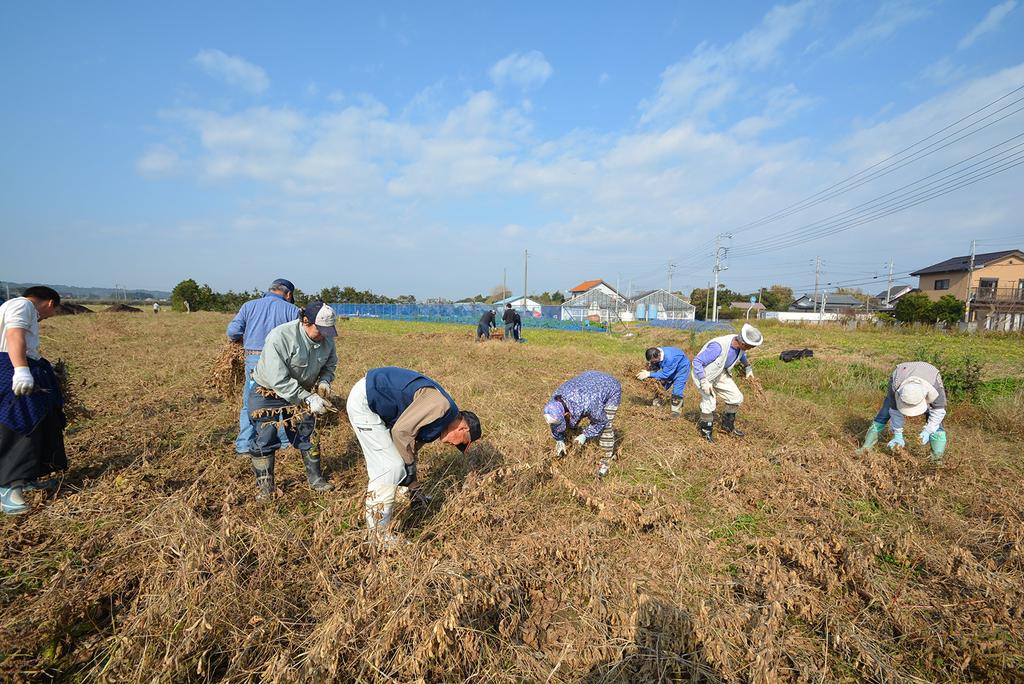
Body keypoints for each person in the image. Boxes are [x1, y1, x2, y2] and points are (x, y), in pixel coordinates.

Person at [346, 367, 481, 542]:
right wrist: (408, 468)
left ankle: (400, 496)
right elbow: (401, 433)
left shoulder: (441, 421)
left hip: (375, 403)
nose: (453, 444)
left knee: (397, 463)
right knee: (390, 467)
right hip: (366, 401)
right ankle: (378, 536)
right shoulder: (441, 407)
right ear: (463, 428)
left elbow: (410, 449)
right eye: (461, 442)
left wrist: (414, 488)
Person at [247, 301, 338, 499]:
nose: (324, 335)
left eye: (327, 331)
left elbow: (330, 365)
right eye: (320, 330)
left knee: (309, 434)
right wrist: (308, 397)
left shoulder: (327, 339)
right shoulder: (280, 337)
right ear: (306, 321)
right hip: (268, 393)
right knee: (265, 437)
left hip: (301, 394)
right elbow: (277, 379)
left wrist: (324, 382)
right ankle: (266, 489)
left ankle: (316, 479)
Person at [0, 286, 67, 515]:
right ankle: (8, 486)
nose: (51, 316)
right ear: (50, 303)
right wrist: (21, 370)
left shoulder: (20, 308)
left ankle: (26, 477)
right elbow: (14, 334)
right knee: (21, 424)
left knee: (41, 421)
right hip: (9, 369)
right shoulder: (23, 305)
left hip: (21, 365)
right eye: (54, 310)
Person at [226, 279, 300, 456]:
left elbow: (232, 332)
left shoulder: (249, 306)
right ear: (288, 294)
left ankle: (244, 445)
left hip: (254, 358)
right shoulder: (292, 310)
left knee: (250, 402)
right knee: (284, 400)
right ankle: (283, 442)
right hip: (282, 360)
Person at [860, 361, 948, 464]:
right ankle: (865, 448)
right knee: (884, 413)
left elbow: (939, 412)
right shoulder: (895, 385)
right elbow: (894, 410)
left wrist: (928, 431)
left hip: (929, 375)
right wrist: (898, 435)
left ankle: (937, 459)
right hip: (902, 373)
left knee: (937, 424)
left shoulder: (934, 387)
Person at [691, 323, 762, 442]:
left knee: (736, 397)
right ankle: (706, 433)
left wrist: (747, 366)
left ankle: (727, 427)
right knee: (709, 402)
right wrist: (703, 381)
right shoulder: (718, 347)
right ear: (743, 343)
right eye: (750, 347)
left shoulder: (739, 344)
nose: (751, 349)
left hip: (720, 372)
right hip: (703, 375)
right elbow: (697, 362)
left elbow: (741, 354)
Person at [543, 371, 621, 478]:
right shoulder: (554, 401)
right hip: (588, 382)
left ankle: (605, 462)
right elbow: (555, 423)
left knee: (606, 426)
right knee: (569, 424)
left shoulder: (589, 403)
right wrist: (559, 439)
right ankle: (568, 446)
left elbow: (602, 421)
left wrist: (585, 435)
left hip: (610, 387)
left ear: (566, 413)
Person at [635, 346, 691, 418]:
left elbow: (665, 374)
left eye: (654, 361)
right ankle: (657, 405)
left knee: (677, 391)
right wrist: (651, 369)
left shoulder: (669, 358)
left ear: (658, 355)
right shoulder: (657, 352)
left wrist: (648, 374)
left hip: (681, 369)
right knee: (661, 386)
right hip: (670, 367)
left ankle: (675, 413)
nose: (653, 362)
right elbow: (657, 366)